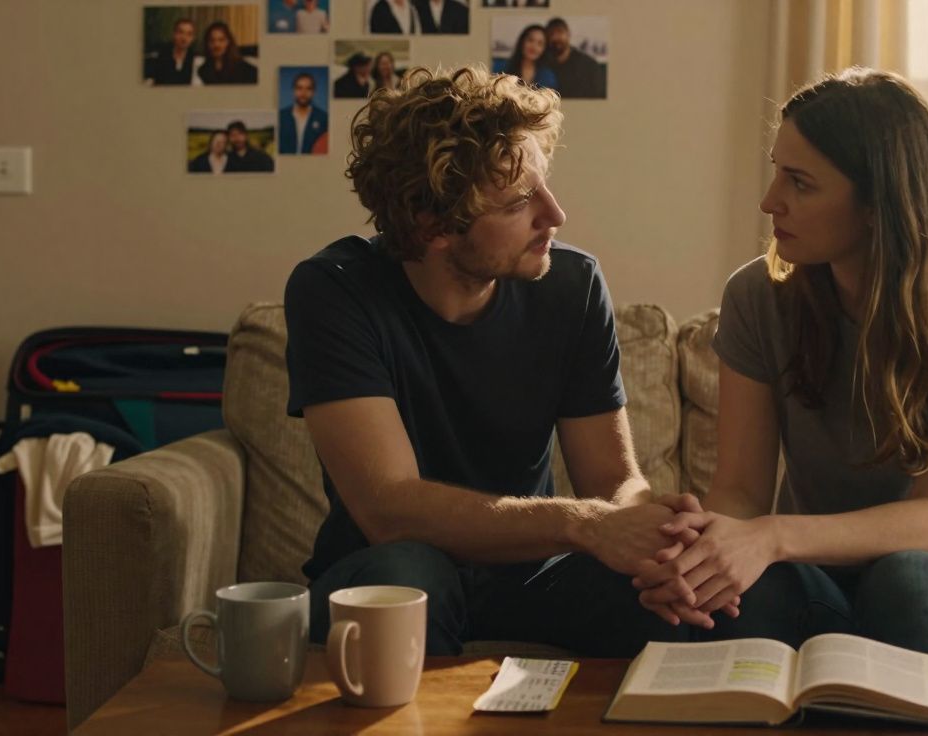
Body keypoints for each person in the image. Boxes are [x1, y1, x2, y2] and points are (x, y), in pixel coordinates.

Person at [283, 66, 732, 656]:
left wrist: (654, 542)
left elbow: (615, 481)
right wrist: (585, 524)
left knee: (701, 601)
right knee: (410, 575)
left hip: (531, 575)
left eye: (544, 185)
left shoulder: (572, 284)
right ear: (434, 224)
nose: (555, 214)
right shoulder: (335, 291)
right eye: (521, 201)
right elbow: (389, 509)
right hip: (385, 569)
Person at [632, 67, 928, 660]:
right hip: (822, 576)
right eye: (777, 171)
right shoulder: (757, 296)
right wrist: (705, 559)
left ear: (880, 204)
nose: (769, 201)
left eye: (800, 182)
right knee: (723, 600)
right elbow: (741, 490)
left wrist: (772, 536)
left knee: (909, 582)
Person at [544, 18, 604, 99]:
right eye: (551, 34)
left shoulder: (588, 65)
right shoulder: (543, 64)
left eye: (560, 32)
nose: (556, 37)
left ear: (568, 34)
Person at [279, 73, 329, 155]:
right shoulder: (280, 116)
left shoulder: (324, 118)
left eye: (308, 88)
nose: (303, 93)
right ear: (293, 90)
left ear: (314, 92)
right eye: (299, 88)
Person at [197, 21, 258, 85]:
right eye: (212, 40)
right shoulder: (203, 70)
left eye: (221, 40)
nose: (216, 45)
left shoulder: (245, 69)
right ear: (207, 43)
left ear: (228, 42)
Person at [505, 25, 557, 91]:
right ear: (522, 42)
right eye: (530, 40)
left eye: (540, 43)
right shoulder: (505, 68)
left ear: (544, 49)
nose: (534, 47)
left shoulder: (548, 76)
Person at [147, 17, 197, 85]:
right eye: (180, 32)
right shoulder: (160, 56)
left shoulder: (196, 60)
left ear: (193, 38)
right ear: (174, 34)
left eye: (189, 34)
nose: (184, 37)